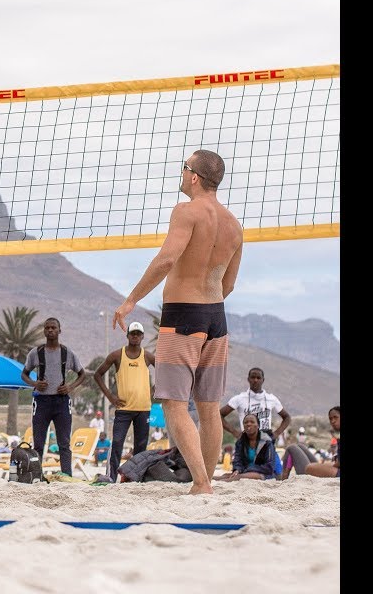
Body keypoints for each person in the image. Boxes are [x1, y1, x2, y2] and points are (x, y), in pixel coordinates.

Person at [113, 149, 243, 495]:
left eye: (184, 168)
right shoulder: (234, 224)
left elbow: (166, 259)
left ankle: (202, 483)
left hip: (183, 314)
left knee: (173, 402)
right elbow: (228, 284)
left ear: (194, 177)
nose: (182, 174)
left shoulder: (186, 211)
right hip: (216, 316)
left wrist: (131, 300)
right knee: (208, 406)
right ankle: (207, 481)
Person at [20, 317, 87, 476]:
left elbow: (82, 374)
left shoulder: (67, 353)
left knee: (64, 443)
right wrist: (34, 383)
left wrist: (70, 386)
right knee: (38, 443)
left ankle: (66, 476)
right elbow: (24, 374)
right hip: (41, 402)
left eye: (53, 328)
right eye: (47, 328)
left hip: (61, 402)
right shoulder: (36, 353)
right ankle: (35, 476)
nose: (50, 330)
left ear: (59, 330)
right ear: (44, 331)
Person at [92, 320, 157, 482]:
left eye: (138, 334)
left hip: (143, 409)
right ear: (127, 335)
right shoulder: (117, 355)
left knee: (141, 447)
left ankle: (137, 478)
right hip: (123, 409)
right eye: (132, 334)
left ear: (142, 337)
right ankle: (111, 477)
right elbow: (97, 374)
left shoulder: (147, 356)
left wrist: (154, 390)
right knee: (117, 443)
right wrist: (110, 397)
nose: (135, 336)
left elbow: (164, 371)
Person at [220, 367, 292, 447]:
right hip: (247, 443)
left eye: (258, 378)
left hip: (266, 443)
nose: (255, 380)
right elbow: (219, 415)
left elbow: (287, 417)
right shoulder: (239, 399)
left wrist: (276, 434)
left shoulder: (271, 399)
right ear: (248, 379)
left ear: (263, 380)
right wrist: (235, 432)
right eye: (253, 377)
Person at [214, 413, 276, 481]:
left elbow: (269, 467)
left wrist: (249, 469)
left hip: (264, 474)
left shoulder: (267, 442)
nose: (248, 424)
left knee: (238, 477)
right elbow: (237, 460)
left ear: (258, 425)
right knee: (224, 476)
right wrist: (237, 470)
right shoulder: (240, 442)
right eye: (245, 422)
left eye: (252, 422)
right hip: (244, 471)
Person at [282, 405, 339, 479]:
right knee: (300, 446)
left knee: (292, 447)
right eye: (330, 419)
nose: (332, 421)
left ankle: (283, 477)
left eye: (335, 417)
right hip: (335, 470)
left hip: (336, 473)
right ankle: (284, 476)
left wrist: (325, 465)